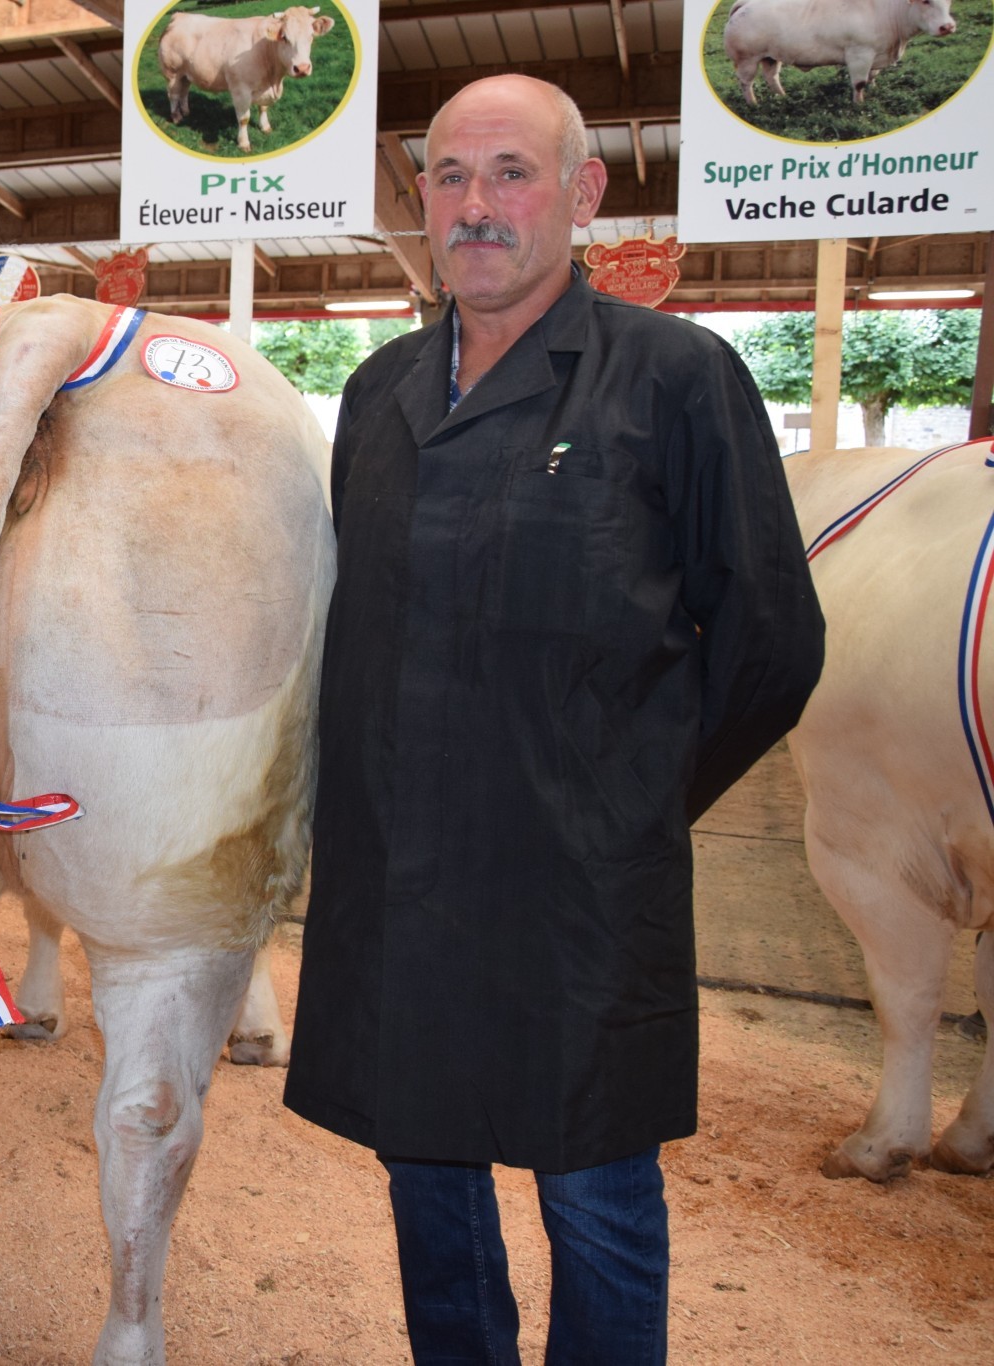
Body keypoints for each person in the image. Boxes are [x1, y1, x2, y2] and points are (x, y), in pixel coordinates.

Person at [283, 74, 825, 1364]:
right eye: (452, 179)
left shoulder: (675, 379)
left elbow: (772, 640)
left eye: (512, 174)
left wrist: (627, 795)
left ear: (583, 194)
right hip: (402, 866)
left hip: (575, 877)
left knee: (593, 1182)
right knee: (425, 1161)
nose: (476, 207)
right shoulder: (379, 391)